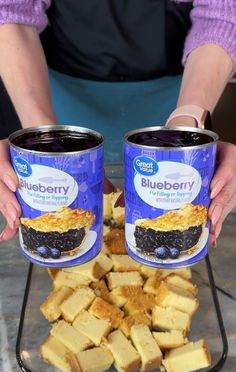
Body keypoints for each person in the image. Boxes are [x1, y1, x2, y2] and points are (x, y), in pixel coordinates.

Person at [0, 0, 235, 248]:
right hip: (53, 93)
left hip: (180, 95)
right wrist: (46, 143)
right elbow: (11, 10)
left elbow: (221, 15)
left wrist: (187, 130)